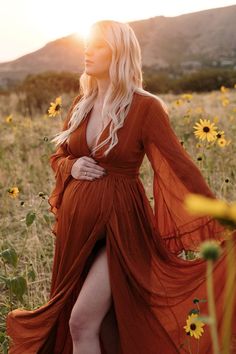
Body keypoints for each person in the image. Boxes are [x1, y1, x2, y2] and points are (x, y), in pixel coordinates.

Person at [6, 20, 236, 354]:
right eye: (88, 44)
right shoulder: (81, 105)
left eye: (98, 45)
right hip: (78, 233)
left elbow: (180, 168)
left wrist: (223, 218)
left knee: (81, 322)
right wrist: (72, 165)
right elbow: (59, 156)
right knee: (104, 326)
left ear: (119, 53)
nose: (88, 50)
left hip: (121, 230)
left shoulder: (145, 107)